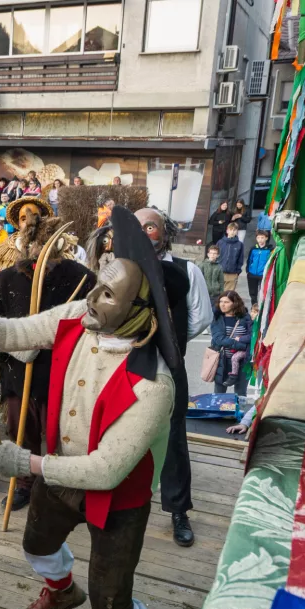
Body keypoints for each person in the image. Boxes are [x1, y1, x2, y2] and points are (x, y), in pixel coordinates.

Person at [0, 207, 179, 609]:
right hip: (59, 472)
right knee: (36, 545)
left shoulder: (154, 385)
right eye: (98, 283)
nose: (92, 299)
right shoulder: (80, 315)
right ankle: (61, 592)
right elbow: (14, 331)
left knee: (111, 606)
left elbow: (105, 470)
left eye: (108, 295)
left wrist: (27, 464)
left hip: (118, 498)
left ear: (140, 309)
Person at [0, 216, 96, 511]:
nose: (43, 252)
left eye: (50, 246)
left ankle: (60, 486)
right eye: (37, 244)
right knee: (22, 429)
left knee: (64, 433)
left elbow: (95, 325)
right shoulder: (5, 279)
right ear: (27, 245)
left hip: (63, 375)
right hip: (18, 375)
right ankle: (24, 484)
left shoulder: (81, 278)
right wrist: (13, 349)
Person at [134, 207, 212, 549]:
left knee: (174, 438)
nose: (144, 232)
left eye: (150, 226)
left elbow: (202, 317)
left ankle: (179, 511)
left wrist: (172, 341)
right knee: (125, 432)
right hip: (130, 365)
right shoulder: (121, 268)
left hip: (170, 364)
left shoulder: (187, 270)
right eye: (138, 227)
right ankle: (122, 505)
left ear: (164, 232)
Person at [0, 196, 54, 285]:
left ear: (42, 218)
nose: (29, 222)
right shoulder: (3, 252)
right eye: (23, 219)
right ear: (18, 223)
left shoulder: (55, 246)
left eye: (34, 216)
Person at [211, 290, 252, 394]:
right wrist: (242, 345)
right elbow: (219, 339)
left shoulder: (245, 317)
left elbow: (253, 336)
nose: (222, 305)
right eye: (221, 301)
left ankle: (239, 410)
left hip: (243, 361)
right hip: (222, 361)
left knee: (241, 394)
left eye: (226, 302)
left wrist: (243, 343)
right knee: (219, 394)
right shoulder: (217, 318)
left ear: (235, 303)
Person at [245, 231, 272, 306]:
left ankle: (262, 307)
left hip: (263, 274)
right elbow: (249, 260)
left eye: (262, 237)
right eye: (258, 238)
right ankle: (254, 307)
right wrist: (248, 270)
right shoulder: (253, 249)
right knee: (253, 293)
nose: (260, 239)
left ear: (266, 238)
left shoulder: (269, 249)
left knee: (263, 292)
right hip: (252, 274)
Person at [218, 222, 244, 292]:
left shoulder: (240, 244)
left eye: (234, 230)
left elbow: (240, 259)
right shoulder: (220, 242)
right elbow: (216, 256)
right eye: (231, 230)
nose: (232, 232)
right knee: (217, 294)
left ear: (237, 231)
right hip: (219, 272)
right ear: (227, 231)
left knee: (228, 295)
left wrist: (237, 272)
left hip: (232, 273)